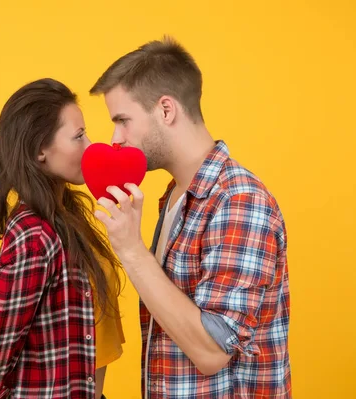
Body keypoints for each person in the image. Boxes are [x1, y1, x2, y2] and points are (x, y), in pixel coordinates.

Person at [89, 36, 292, 398]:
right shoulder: (173, 198)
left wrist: (132, 250)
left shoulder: (237, 200)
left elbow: (212, 352)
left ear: (166, 110)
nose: (115, 138)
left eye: (123, 121)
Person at [0, 78, 125, 399]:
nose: (91, 145)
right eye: (78, 136)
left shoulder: (71, 219)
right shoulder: (34, 236)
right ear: (39, 150)